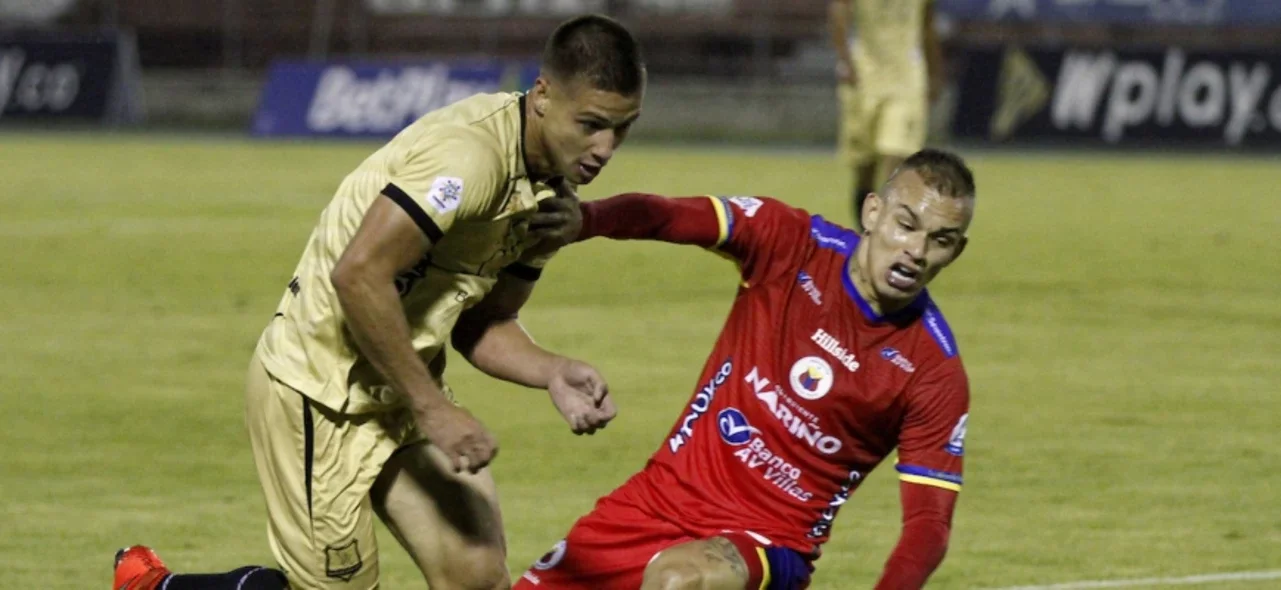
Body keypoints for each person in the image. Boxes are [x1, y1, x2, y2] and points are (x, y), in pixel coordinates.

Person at [113, 13, 645, 590]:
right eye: (591, 124)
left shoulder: (551, 201)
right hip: (320, 389)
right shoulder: (469, 160)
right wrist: (434, 410)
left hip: (401, 386)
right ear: (542, 95)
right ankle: (155, 587)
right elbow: (359, 275)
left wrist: (553, 371)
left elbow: (484, 323)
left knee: (475, 577)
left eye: (622, 129)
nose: (605, 148)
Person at [515, 149, 975, 590]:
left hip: (768, 546)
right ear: (873, 212)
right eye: (906, 225)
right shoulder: (791, 243)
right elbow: (670, 215)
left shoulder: (933, 371)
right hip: (657, 500)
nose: (916, 250)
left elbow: (928, 526)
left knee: (679, 581)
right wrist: (588, 220)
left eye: (940, 240)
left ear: (955, 252)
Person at [829, 0, 944, 227]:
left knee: (896, 156)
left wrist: (934, 73)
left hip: (907, 80)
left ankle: (887, 235)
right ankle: (867, 233)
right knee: (865, 170)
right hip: (865, 78)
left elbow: (927, 25)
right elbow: (839, 11)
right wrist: (845, 59)